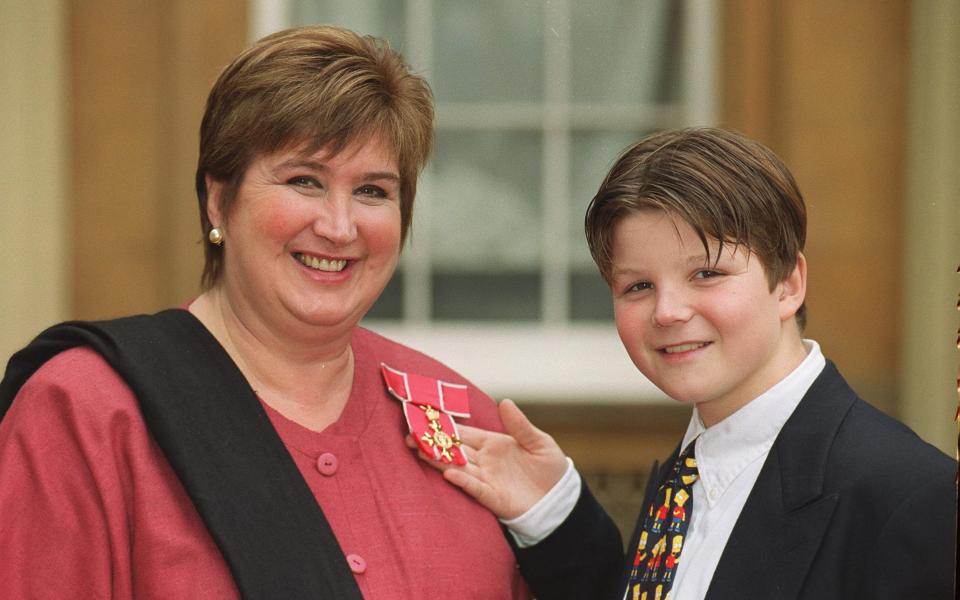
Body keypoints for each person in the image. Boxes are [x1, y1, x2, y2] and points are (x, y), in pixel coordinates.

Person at [0, 25, 570, 599]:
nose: (339, 227)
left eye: (373, 191)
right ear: (219, 198)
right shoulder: (85, 413)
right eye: (305, 181)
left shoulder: (463, 422)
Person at [418, 128, 958, 599]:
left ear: (788, 284)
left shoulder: (916, 499)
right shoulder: (689, 468)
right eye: (638, 286)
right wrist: (557, 511)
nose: (668, 312)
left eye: (706, 274)